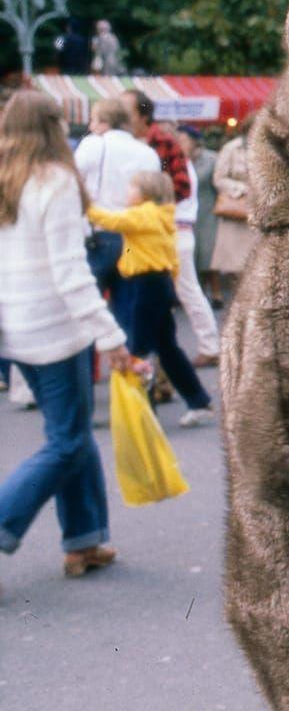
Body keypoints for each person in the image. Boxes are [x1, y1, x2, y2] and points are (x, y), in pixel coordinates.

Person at [0, 91, 130, 579]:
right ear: (54, 127)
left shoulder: (5, 180)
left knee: (71, 435)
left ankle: (84, 540)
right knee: (68, 443)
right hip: (56, 331)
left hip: (17, 331)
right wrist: (111, 337)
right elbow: (70, 274)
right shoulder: (54, 182)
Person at [87, 170, 217, 427]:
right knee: (167, 347)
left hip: (144, 285)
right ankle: (198, 400)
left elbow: (110, 221)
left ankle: (143, 411)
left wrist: (84, 205)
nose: (127, 193)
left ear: (144, 193)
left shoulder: (143, 214)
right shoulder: (162, 216)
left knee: (139, 347)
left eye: (131, 188)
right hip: (160, 282)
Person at [72, 97, 161, 301]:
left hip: (98, 235)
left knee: (88, 307)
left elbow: (73, 182)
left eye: (93, 120)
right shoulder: (148, 153)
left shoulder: (93, 145)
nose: (91, 126)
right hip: (136, 238)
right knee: (127, 311)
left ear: (105, 122)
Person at [165, 127, 222, 366]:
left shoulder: (178, 166)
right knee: (187, 292)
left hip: (176, 231)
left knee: (188, 292)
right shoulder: (181, 164)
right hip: (179, 232)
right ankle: (209, 345)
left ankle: (210, 345)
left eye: (183, 139)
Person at [211, 117, 257, 298]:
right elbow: (219, 178)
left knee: (253, 260)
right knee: (233, 262)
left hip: (257, 210)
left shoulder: (267, 147)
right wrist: (241, 189)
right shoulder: (231, 148)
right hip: (236, 208)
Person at [121, 89, 191, 203]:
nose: (120, 118)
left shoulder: (164, 142)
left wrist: (154, 204)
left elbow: (183, 187)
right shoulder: (114, 141)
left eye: (126, 114)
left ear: (143, 117)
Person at [178, 124, 221, 305]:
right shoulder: (176, 161)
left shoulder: (212, 159)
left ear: (195, 142)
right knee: (191, 255)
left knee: (209, 255)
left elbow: (219, 184)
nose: (179, 143)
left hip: (207, 212)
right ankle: (197, 296)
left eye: (183, 140)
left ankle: (216, 293)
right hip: (186, 215)